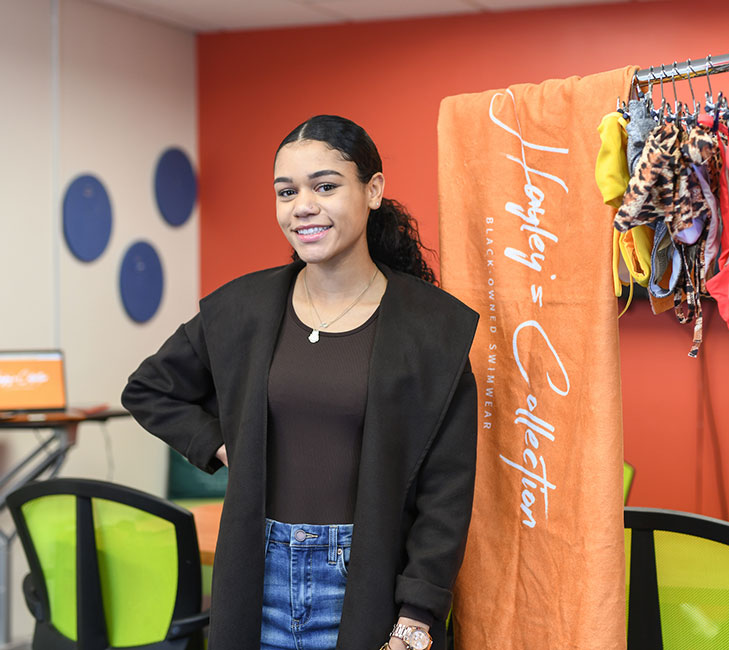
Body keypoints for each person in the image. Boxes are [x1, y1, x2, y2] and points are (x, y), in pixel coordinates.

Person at [122, 115, 478, 650]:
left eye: (325, 186)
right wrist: (228, 446)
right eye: (286, 192)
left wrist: (416, 619)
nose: (302, 206)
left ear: (373, 190)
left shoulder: (434, 328)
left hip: (366, 584)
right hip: (255, 576)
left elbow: (446, 492)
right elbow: (148, 388)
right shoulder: (242, 308)